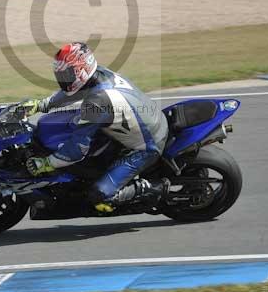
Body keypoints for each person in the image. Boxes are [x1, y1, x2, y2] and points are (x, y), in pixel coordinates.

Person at [21, 42, 170, 213]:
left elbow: (76, 151)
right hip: (144, 123)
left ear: (82, 70)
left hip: (147, 145)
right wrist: (43, 105)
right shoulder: (99, 74)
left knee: (100, 195)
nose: (63, 79)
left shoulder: (98, 100)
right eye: (61, 74)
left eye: (67, 74)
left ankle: (153, 187)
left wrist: (47, 163)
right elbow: (75, 91)